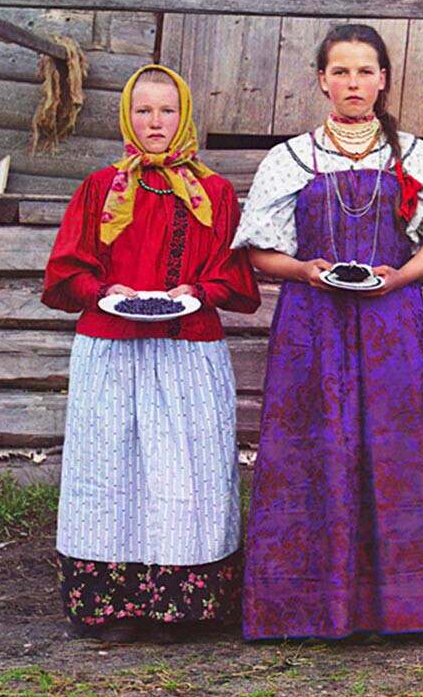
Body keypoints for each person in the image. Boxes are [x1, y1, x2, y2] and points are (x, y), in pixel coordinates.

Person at [233, 24, 423, 641]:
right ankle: (306, 607)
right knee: (313, 447)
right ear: (322, 80)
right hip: (312, 326)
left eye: (365, 71)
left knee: (393, 448)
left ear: (383, 79)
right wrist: (304, 270)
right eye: (340, 71)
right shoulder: (290, 158)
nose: (353, 83)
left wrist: (399, 278)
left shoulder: (411, 156)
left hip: (390, 324)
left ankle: (402, 609)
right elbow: (261, 250)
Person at [43, 64, 260, 644]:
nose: (155, 122)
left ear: (183, 115)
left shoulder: (213, 192)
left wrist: (198, 291)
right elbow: (68, 268)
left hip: (186, 352)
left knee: (183, 472)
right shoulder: (100, 187)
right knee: (109, 470)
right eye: (143, 111)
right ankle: (111, 606)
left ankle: (178, 605)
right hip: (111, 351)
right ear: (127, 117)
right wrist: (103, 291)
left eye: (166, 110)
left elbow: (234, 275)